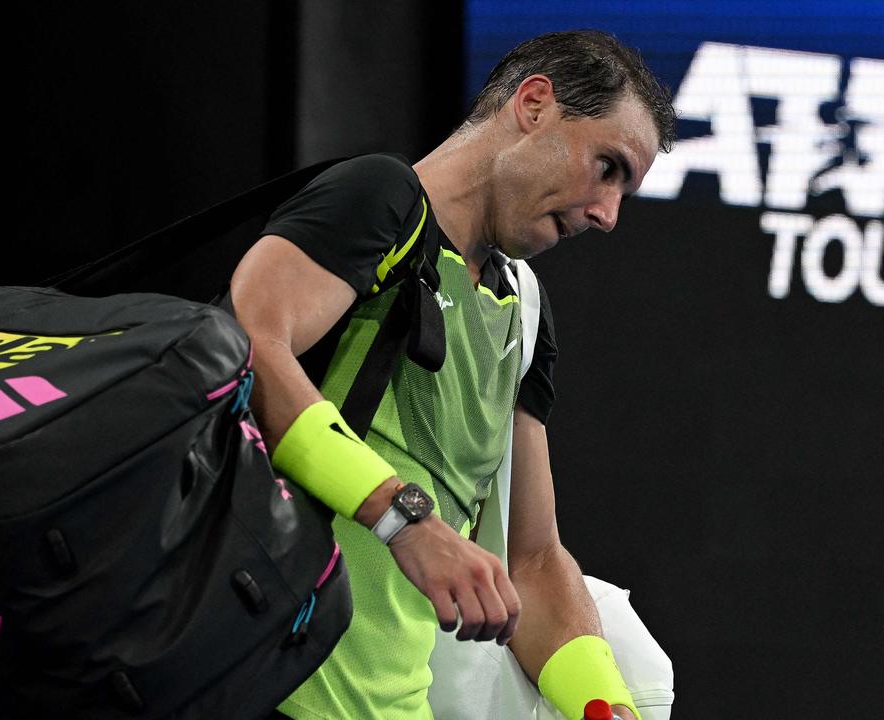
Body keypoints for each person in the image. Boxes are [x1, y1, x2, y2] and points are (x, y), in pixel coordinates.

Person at [228, 29, 676, 720]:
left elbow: (532, 558)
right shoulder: (379, 196)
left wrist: (605, 705)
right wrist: (404, 519)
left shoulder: (524, 310)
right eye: (608, 166)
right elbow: (250, 348)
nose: (607, 214)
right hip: (258, 683)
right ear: (534, 104)